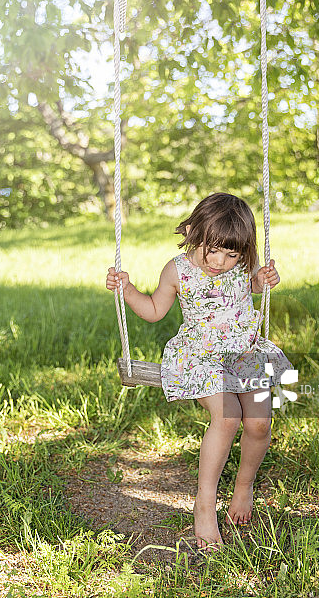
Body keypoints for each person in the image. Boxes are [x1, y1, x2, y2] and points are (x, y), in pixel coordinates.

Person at [106, 192, 292, 552]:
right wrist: (126, 290)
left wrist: (266, 278)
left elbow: (252, 285)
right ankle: (204, 506)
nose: (221, 261)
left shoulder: (242, 264)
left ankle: (243, 485)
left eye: (232, 254)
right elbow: (155, 309)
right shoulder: (177, 269)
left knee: (258, 423)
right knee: (227, 417)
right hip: (200, 357)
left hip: (245, 352)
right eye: (213, 250)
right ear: (193, 232)